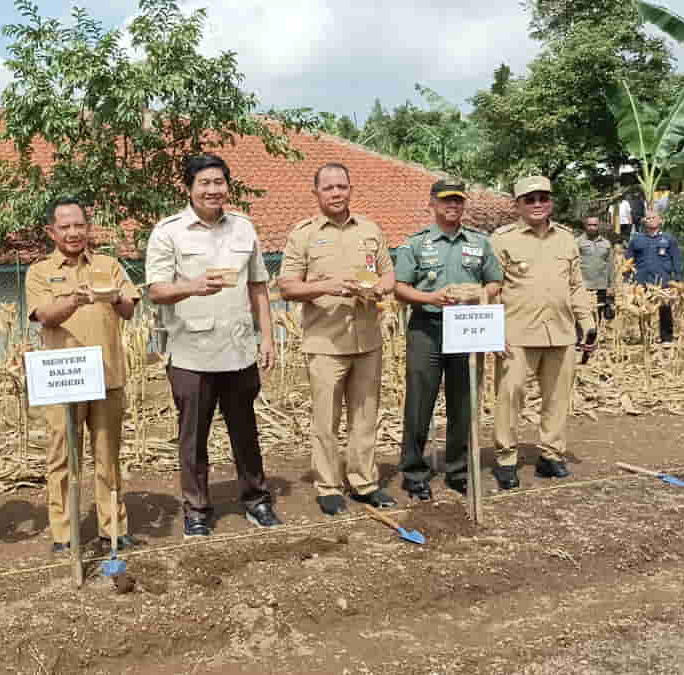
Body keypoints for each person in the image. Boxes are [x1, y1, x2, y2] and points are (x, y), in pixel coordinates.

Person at [146, 154, 282, 537]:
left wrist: (267, 337)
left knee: (246, 432)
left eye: (219, 182)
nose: (212, 190)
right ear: (188, 188)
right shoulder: (168, 232)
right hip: (191, 355)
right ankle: (197, 511)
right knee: (193, 438)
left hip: (238, 351)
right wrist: (192, 285)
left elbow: (258, 286)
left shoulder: (243, 228)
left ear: (227, 186)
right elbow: (156, 290)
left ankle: (257, 500)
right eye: (204, 183)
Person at [278, 163, 397, 515]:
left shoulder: (370, 230)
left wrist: (378, 288)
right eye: (328, 188)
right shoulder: (304, 234)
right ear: (315, 193)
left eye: (342, 187)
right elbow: (287, 285)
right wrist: (327, 286)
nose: (336, 193)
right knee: (326, 419)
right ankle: (329, 486)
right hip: (326, 342)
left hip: (367, 340)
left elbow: (389, 273)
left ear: (350, 189)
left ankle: (364, 482)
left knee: (365, 415)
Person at [26, 197, 140, 554]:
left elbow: (128, 310)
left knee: (107, 456)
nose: (73, 233)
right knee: (62, 459)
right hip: (63, 380)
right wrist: (75, 300)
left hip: (107, 377)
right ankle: (64, 532)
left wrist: (116, 296)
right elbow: (44, 316)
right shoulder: (40, 271)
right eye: (65, 226)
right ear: (51, 231)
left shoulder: (109, 264)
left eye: (79, 225)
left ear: (88, 228)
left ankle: (113, 529)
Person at [392, 179, 502, 501]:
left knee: (463, 402)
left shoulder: (480, 243)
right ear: (433, 203)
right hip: (427, 327)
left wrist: (479, 294)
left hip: (467, 328)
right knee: (419, 403)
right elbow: (400, 287)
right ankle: (413, 472)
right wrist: (430, 296)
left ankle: (458, 471)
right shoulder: (416, 244)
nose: (452, 206)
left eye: (457, 201)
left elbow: (495, 280)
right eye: (446, 201)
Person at [490, 177, 596, 489]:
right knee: (510, 397)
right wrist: (495, 332)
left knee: (558, 398)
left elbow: (576, 286)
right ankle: (506, 458)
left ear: (550, 201)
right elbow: (492, 289)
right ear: (517, 205)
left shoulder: (566, 238)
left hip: (561, 332)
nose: (537, 204)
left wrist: (588, 325)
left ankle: (551, 455)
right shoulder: (502, 239)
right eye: (530, 199)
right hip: (517, 334)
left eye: (543, 198)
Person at [626, 210, 684, 344]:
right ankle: (646, 337)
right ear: (644, 221)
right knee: (643, 311)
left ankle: (666, 338)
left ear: (660, 220)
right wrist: (628, 279)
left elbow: (676, 260)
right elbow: (628, 260)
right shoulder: (637, 239)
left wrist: (679, 279)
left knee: (665, 309)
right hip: (642, 281)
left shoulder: (669, 239)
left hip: (663, 281)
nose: (650, 220)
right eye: (647, 218)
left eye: (653, 217)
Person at [577, 216, 617, 329]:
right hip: (584, 285)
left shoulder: (606, 244)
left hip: (601, 285)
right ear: (585, 226)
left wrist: (611, 286)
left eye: (595, 225)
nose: (592, 228)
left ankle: (595, 338)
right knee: (583, 313)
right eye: (590, 225)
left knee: (599, 313)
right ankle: (582, 338)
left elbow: (610, 266)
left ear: (599, 226)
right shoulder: (578, 242)